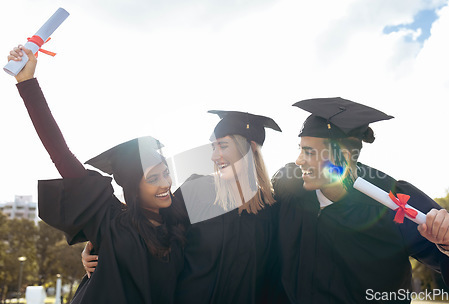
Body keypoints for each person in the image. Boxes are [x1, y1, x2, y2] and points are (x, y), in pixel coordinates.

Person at [273, 97, 449, 303]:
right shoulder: (290, 190)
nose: (299, 160)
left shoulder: (390, 200)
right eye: (300, 150)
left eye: (309, 152)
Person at [8, 45, 189, 304]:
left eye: (166, 173)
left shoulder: (180, 218)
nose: (166, 184)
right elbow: (61, 154)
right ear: (132, 187)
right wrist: (27, 82)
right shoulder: (111, 221)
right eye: (153, 178)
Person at [83, 110, 288, 303]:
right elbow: (147, 223)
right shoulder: (197, 191)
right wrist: (97, 246)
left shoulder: (272, 210)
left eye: (223, 146)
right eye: (213, 147)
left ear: (250, 148)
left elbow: (273, 277)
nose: (214, 156)